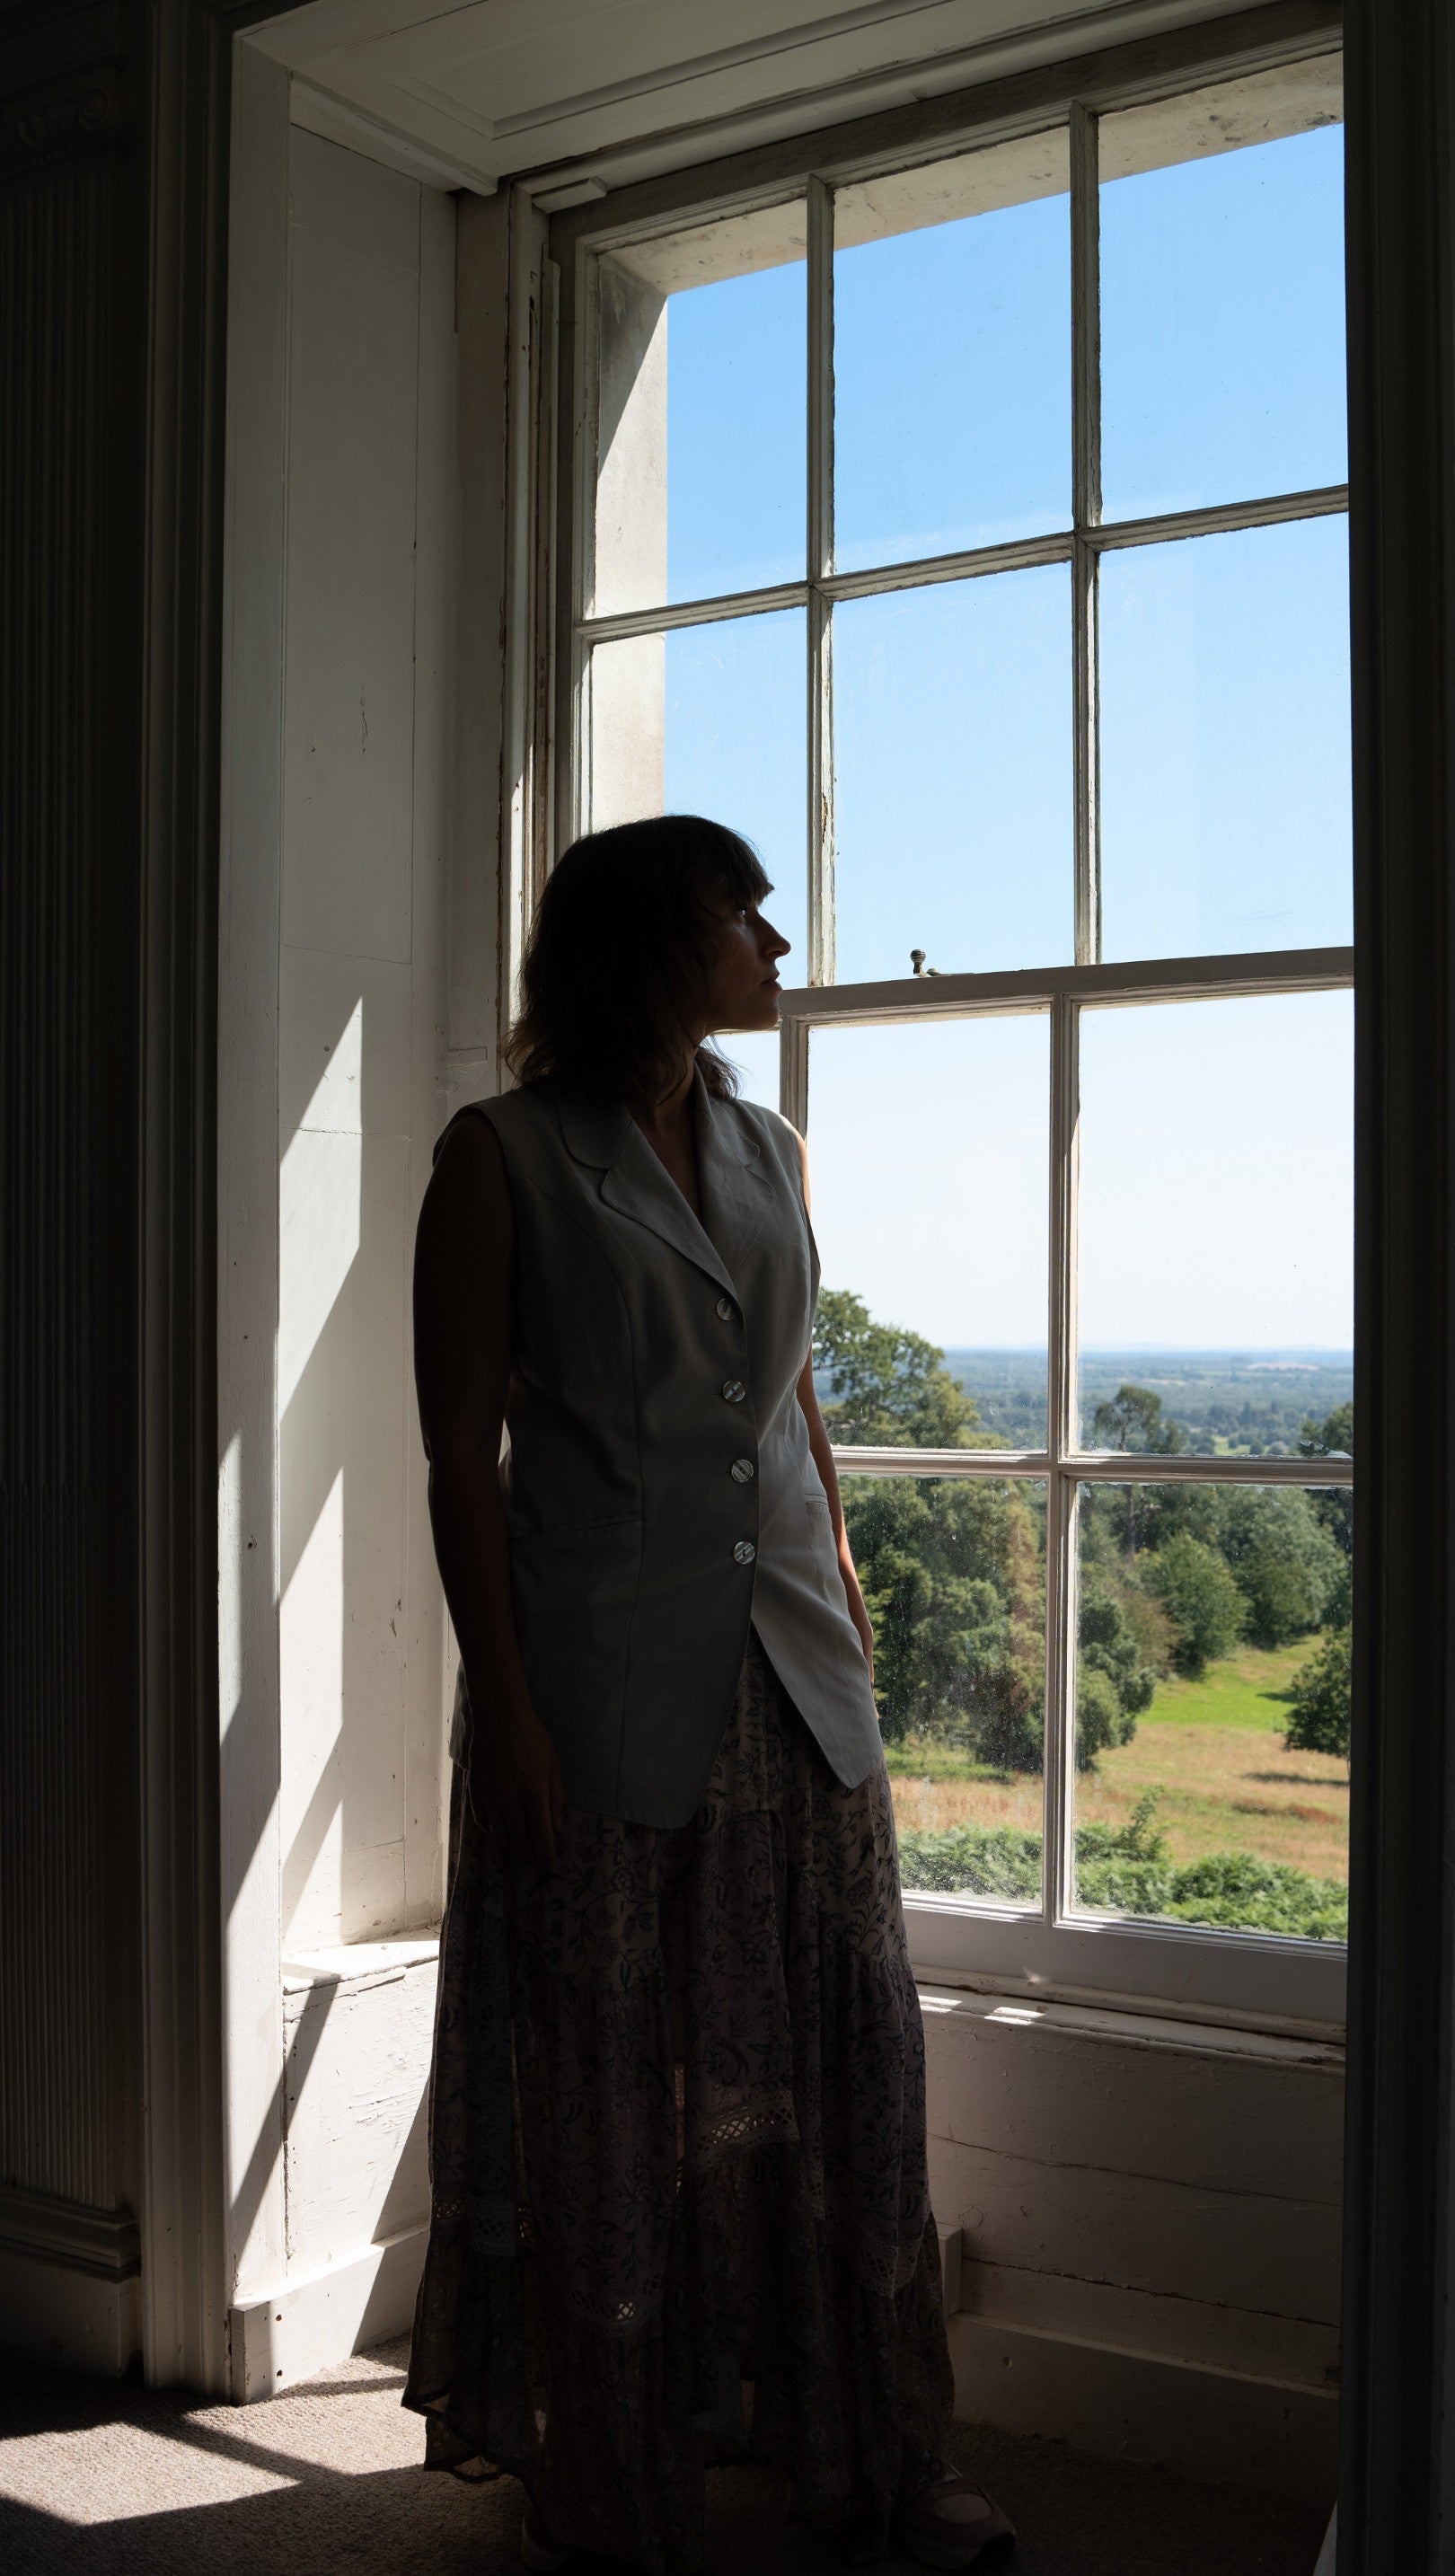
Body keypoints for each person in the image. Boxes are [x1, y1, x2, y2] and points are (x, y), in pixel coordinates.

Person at [403, 814, 1015, 2574]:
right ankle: (612, 2487)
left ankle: (882, 2450)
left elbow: (789, 1393)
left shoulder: (769, 1144)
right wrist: (506, 1708)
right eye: (740, 912)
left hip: (795, 1673)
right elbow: (459, 1463)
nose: (775, 942)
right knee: (610, 2089)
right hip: (594, 1684)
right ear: (644, 950)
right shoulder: (500, 1159)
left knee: (843, 2063)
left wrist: (842, 1571)